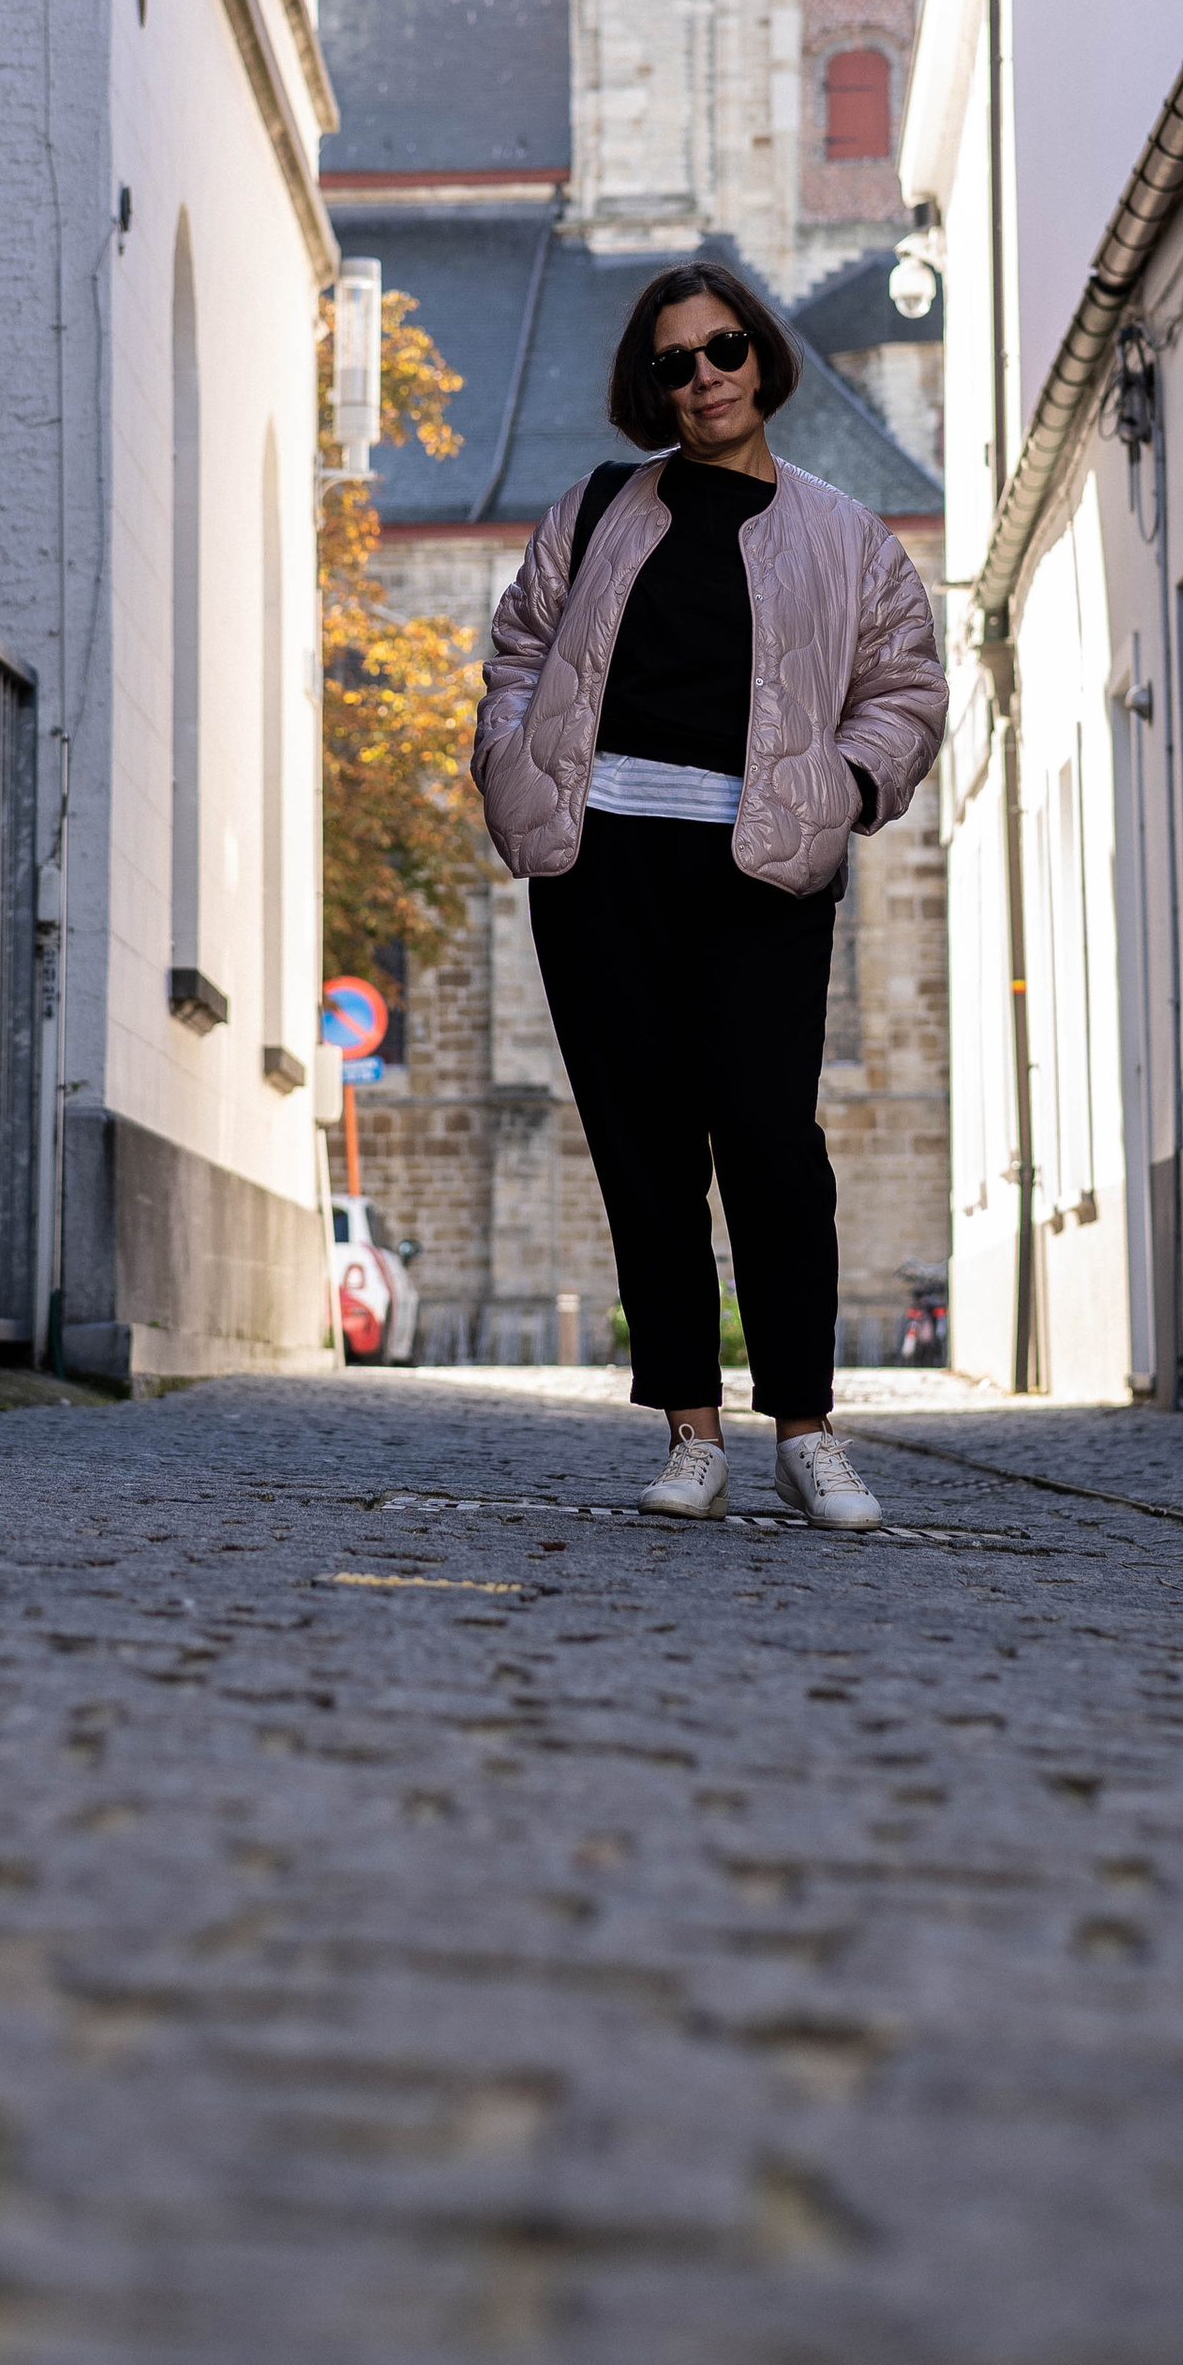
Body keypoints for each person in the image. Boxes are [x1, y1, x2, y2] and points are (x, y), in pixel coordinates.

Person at [473, 262, 948, 1528]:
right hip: (602, 865)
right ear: (651, 386)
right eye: (673, 363)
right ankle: (692, 1432)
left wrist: (842, 784)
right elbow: (519, 651)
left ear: (762, 359)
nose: (703, 380)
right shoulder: (593, 510)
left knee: (770, 1143)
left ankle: (809, 1431)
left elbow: (905, 690)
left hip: (762, 868)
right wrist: (517, 771)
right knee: (644, 1150)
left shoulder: (845, 532)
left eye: (723, 350)